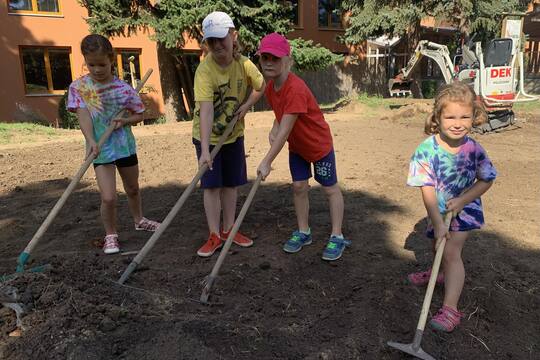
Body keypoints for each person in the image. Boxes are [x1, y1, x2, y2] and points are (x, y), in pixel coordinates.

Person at [407, 82, 497, 332]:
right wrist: (436, 222)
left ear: (474, 116)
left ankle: (451, 309)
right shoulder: (426, 150)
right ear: (437, 117)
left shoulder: (474, 150)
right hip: (437, 208)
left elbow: (487, 178)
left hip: (465, 209)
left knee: (450, 252)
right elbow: (426, 188)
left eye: (465, 116)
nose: (458, 123)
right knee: (436, 243)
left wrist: (464, 200)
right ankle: (438, 274)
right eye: (450, 117)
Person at [256, 33, 349, 261]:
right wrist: (274, 125)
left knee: (329, 189)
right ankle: (303, 232)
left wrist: (267, 160)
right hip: (297, 147)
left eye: (275, 58)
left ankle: (337, 236)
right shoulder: (270, 88)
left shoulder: (296, 88)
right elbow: (282, 114)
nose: (268, 62)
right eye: (264, 57)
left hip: (318, 146)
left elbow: (287, 127)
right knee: (299, 187)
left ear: (289, 60)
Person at [67, 34, 160, 255]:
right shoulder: (80, 87)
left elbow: (139, 115)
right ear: (85, 61)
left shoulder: (124, 90)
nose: (97, 69)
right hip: (99, 147)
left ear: (111, 60)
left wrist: (124, 121)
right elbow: (83, 116)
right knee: (108, 197)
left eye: (102, 64)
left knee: (133, 188)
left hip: (124, 145)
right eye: (91, 64)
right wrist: (90, 140)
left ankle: (139, 220)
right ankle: (111, 234)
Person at [193, 11, 265, 257]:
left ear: (234, 36)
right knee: (212, 187)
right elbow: (206, 111)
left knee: (232, 184)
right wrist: (204, 150)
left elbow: (260, 86)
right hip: (208, 137)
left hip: (233, 135)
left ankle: (229, 230)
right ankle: (214, 234)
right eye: (211, 41)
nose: (217, 45)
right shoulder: (204, 71)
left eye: (221, 39)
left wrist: (246, 105)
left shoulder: (244, 64)